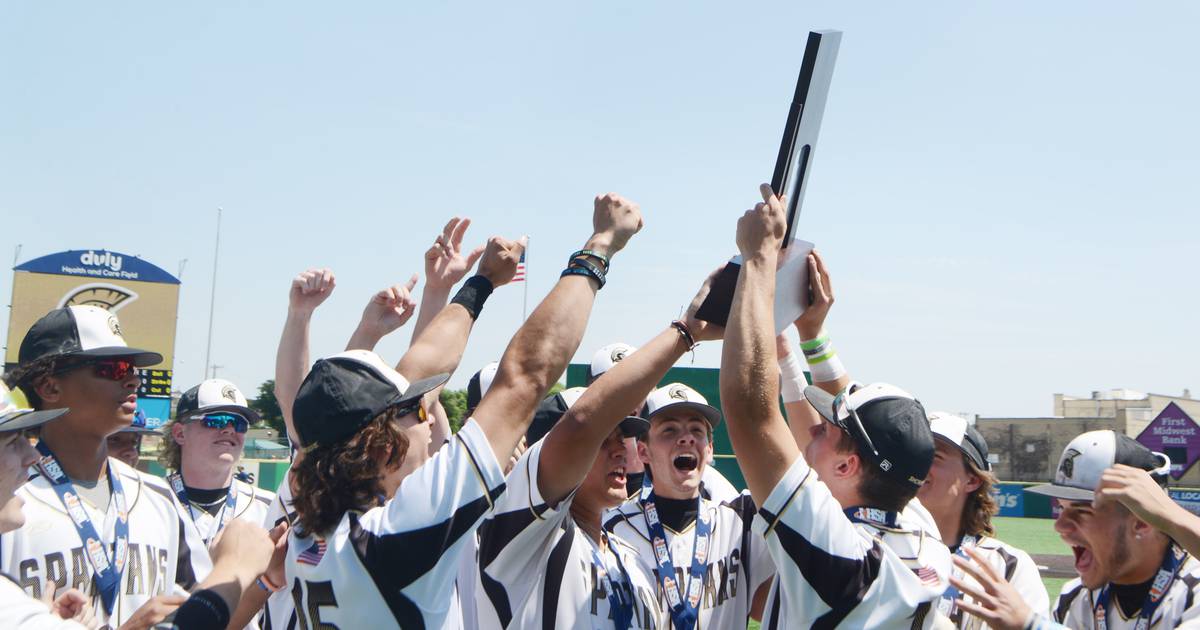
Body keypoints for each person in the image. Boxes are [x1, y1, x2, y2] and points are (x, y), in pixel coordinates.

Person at [283, 193, 642, 629]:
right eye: (415, 414)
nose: (429, 414)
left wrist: (481, 283)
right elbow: (525, 377)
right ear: (379, 447)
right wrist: (599, 247)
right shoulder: (397, 533)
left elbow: (421, 366)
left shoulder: (310, 525)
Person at [719, 185, 950, 628]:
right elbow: (860, 424)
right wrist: (812, 336)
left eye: (825, 430)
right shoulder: (917, 527)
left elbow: (751, 410)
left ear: (847, 468)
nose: (811, 429)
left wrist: (758, 258)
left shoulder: (841, 553)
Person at [476, 268, 720, 629]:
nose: (623, 450)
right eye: (604, 441)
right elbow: (579, 426)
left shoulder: (631, 559)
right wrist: (686, 332)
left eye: (623, 437)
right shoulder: (529, 536)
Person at [0, 305, 207, 627]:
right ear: (49, 387)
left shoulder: (158, 495)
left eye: (133, 368)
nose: (134, 379)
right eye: (114, 368)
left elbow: (209, 609)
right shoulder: (9, 501)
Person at [956, 430, 1200, 629]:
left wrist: (1033, 626)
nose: (1060, 526)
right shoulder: (1075, 598)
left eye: (1082, 511)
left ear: (1142, 521)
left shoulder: (1193, 591)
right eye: (1061, 508)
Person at [603, 382, 776, 628]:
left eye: (696, 430)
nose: (686, 438)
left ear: (709, 450)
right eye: (669, 430)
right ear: (643, 452)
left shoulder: (739, 521)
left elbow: (766, 606)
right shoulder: (611, 531)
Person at [919, 412, 1047, 627]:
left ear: (972, 480)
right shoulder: (880, 548)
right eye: (916, 454)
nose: (919, 465)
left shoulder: (1009, 566)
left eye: (935, 456)